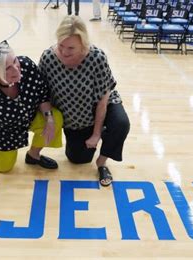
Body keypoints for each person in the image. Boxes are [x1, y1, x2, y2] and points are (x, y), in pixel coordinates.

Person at [38, 15, 130, 187]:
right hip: (75, 116)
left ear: (83, 44)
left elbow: (103, 101)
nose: (64, 52)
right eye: (61, 45)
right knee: (78, 159)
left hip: (100, 104)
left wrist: (96, 134)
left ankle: (102, 162)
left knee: (121, 124)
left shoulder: (97, 58)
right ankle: (99, 132)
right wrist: (49, 118)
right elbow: (42, 93)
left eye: (71, 48)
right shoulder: (48, 58)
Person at [0, 40, 63, 195]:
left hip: (30, 116)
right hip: (4, 131)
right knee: (3, 168)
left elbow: (42, 94)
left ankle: (33, 156)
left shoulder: (26, 65)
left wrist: (48, 119)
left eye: (15, 61)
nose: (16, 69)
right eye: (8, 68)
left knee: (56, 117)